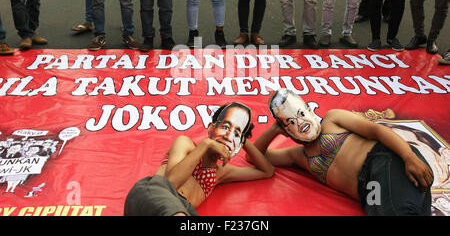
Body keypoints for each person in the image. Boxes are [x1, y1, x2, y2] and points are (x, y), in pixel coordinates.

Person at [253, 89, 434, 215]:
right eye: (290, 123)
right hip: (370, 192)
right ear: (286, 131)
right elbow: (254, 157)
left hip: (384, 162)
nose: (300, 123)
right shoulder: (298, 156)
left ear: (309, 110)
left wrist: (409, 157)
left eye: (301, 114)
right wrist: (274, 129)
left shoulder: (332, 119)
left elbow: (376, 131)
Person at [123, 102, 274, 216]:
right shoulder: (185, 144)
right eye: (226, 127)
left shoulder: (220, 173)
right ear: (211, 128)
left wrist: (243, 140)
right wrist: (206, 145)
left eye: (236, 134)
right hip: (153, 193)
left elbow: (266, 171)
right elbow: (170, 183)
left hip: (181, 208)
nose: (228, 136)